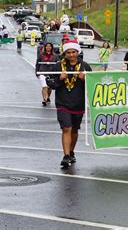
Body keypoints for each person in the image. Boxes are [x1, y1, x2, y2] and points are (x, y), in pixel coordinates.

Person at [46, 40, 92, 168]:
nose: (71, 55)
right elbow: (50, 83)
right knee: (66, 128)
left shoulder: (85, 66)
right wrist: (59, 79)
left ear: (78, 52)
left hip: (78, 102)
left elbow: (94, 86)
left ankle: (71, 152)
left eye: (73, 52)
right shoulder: (58, 66)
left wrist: (85, 79)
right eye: (68, 52)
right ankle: (66, 156)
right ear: (65, 53)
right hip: (63, 102)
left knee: (74, 130)